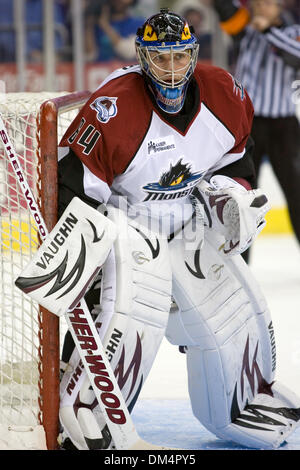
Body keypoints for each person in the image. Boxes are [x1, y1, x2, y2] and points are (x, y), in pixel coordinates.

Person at [56, 8, 300, 450]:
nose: (171, 70)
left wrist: (230, 196)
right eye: (160, 58)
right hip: (128, 231)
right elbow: (73, 188)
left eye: (180, 57)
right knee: (130, 323)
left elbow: (236, 163)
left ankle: (242, 402)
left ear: (193, 54)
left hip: (188, 227)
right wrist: (86, 259)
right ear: (142, 57)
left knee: (235, 312)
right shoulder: (113, 107)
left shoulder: (224, 92)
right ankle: (91, 410)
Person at [213, 0, 300, 263]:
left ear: (279, 7)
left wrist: (267, 31)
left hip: (283, 126)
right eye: (258, 2)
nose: (261, 7)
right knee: (242, 196)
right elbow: (223, 7)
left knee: (296, 193)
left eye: (267, 3)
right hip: (248, 125)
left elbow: (296, 56)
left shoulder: (291, 31)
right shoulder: (245, 30)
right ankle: (239, 262)